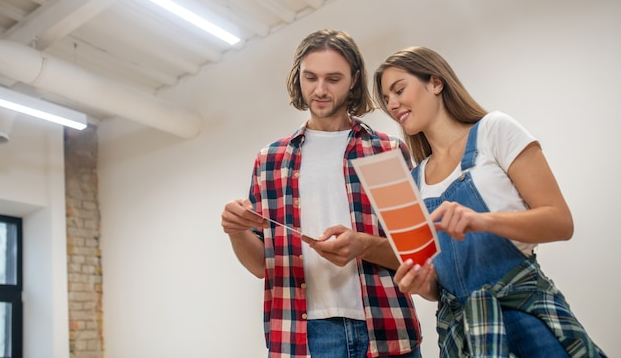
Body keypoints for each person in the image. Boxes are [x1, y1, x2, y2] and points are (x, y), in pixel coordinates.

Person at [373, 46, 607, 357]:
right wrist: (421, 284)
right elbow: (435, 287)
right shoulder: (409, 183)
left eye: (398, 90)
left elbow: (560, 223)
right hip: (466, 338)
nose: (392, 104)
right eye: (386, 99)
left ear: (435, 82)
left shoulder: (494, 130)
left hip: (530, 321)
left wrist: (483, 221)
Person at [221, 29, 423, 358]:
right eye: (310, 77)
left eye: (333, 79)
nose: (320, 90)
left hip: (386, 327)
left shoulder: (384, 151)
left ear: (354, 80)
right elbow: (261, 266)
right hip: (304, 337)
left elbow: (415, 254)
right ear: (298, 77)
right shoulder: (271, 161)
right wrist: (236, 230)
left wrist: (362, 245)